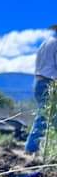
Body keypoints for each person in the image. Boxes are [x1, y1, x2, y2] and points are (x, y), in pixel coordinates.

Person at [25, 24, 57, 155]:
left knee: (47, 116)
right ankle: (31, 148)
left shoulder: (46, 43)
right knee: (45, 116)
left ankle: (35, 148)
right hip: (49, 83)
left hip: (39, 82)